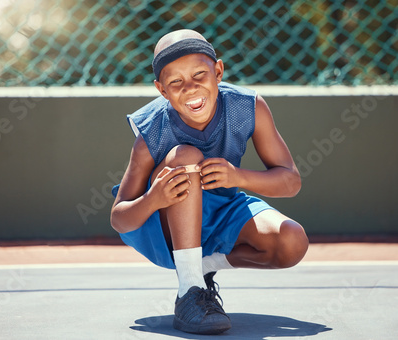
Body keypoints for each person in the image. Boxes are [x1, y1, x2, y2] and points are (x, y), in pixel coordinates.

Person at [110, 29, 309, 335]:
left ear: (218, 71)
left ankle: (202, 268)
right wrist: (154, 198)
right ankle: (189, 290)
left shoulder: (248, 107)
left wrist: (238, 176)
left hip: (223, 210)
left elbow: (291, 181)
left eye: (200, 74)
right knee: (185, 156)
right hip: (163, 229)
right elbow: (119, 218)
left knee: (292, 242)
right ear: (162, 90)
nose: (189, 88)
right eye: (175, 82)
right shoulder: (152, 130)